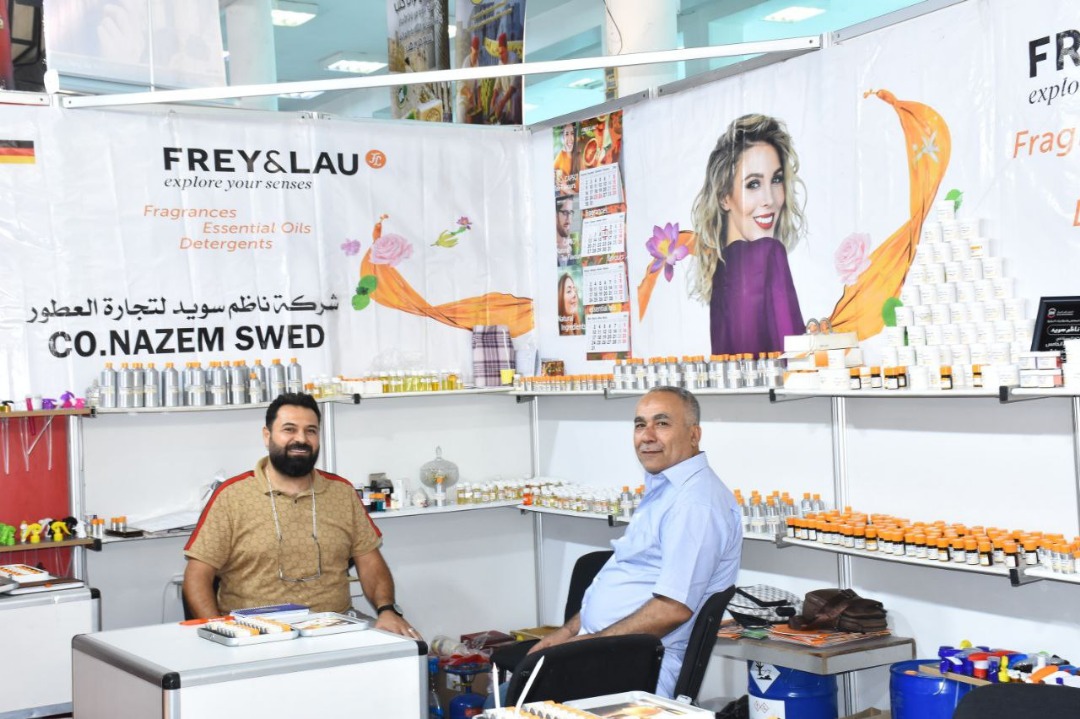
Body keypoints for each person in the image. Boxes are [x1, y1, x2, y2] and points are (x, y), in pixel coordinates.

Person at [528, 387, 742, 698]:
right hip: (609, 652)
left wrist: (586, 646)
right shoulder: (665, 488)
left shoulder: (695, 504)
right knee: (509, 693)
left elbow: (673, 609)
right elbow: (628, 576)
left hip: (637, 668)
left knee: (507, 700)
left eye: (662, 423)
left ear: (694, 434)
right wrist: (567, 632)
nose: (647, 436)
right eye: (640, 424)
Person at [182, 393, 418, 639]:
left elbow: (369, 561)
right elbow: (197, 576)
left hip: (334, 626)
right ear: (267, 436)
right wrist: (220, 631)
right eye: (289, 429)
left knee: (406, 646)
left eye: (311, 431)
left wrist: (387, 609)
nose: (301, 439)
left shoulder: (341, 492)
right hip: (255, 633)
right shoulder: (232, 496)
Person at [690, 114, 806, 356]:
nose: (769, 199)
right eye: (753, 184)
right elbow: (796, 358)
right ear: (724, 197)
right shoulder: (769, 253)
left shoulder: (720, 268)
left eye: (776, 180)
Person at [554, 123, 579, 195]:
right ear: (563, 137)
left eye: (572, 133)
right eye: (567, 134)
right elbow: (559, 184)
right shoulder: (560, 157)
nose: (570, 138)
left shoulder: (580, 155)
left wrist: (567, 189)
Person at [555, 195, 576, 265]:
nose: (569, 220)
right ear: (555, 215)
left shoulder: (573, 250)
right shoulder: (545, 249)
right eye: (565, 213)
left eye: (571, 213)